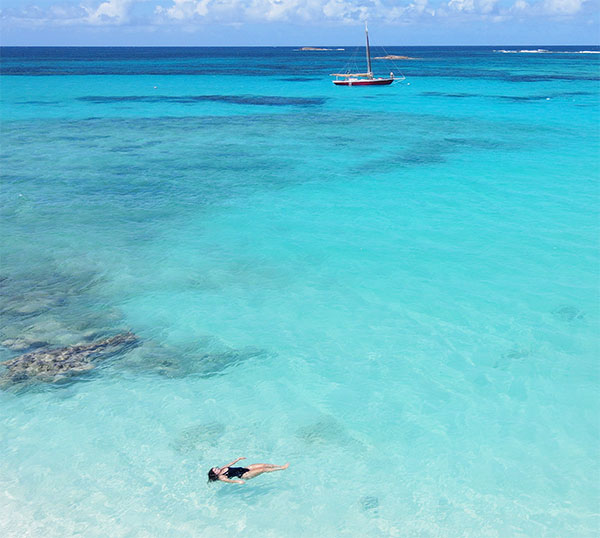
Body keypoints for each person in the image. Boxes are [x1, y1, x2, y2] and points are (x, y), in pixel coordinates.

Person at [207, 457, 289, 485]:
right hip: (244, 475)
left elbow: (230, 464)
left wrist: (238, 459)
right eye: (215, 470)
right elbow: (229, 481)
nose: (217, 468)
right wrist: (238, 482)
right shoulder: (221, 477)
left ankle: (280, 466)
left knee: (263, 465)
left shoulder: (222, 468)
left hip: (244, 468)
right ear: (215, 474)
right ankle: (282, 468)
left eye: (215, 468)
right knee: (263, 469)